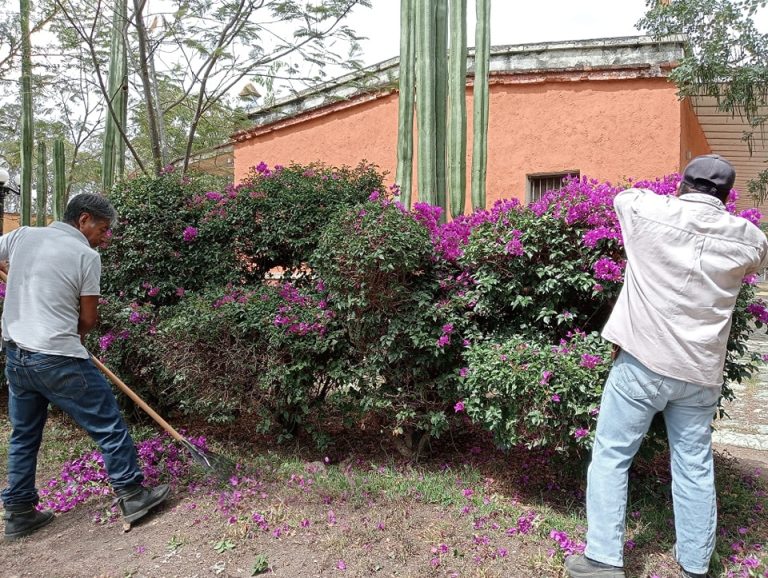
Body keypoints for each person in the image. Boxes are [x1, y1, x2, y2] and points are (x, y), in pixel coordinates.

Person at [565, 155, 768, 578]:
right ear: (728, 196)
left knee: (612, 456)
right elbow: (756, 255)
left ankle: (602, 560)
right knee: (694, 465)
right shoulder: (749, 238)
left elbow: (624, 198)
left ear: (683, 185)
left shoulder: (647, 211)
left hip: (643, 360)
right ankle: (694, 565)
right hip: (699, 374)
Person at [0, 193, 169, 541]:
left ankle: (18, 513)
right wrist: (68, 336)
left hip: (16, 355)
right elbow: (89, 319)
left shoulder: (23, 236)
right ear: (84, 219)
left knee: (24, 435)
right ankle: (133, 495)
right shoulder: (85, 256)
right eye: (103, 229)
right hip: (59, 357)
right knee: (107, 424)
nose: (104, 237)